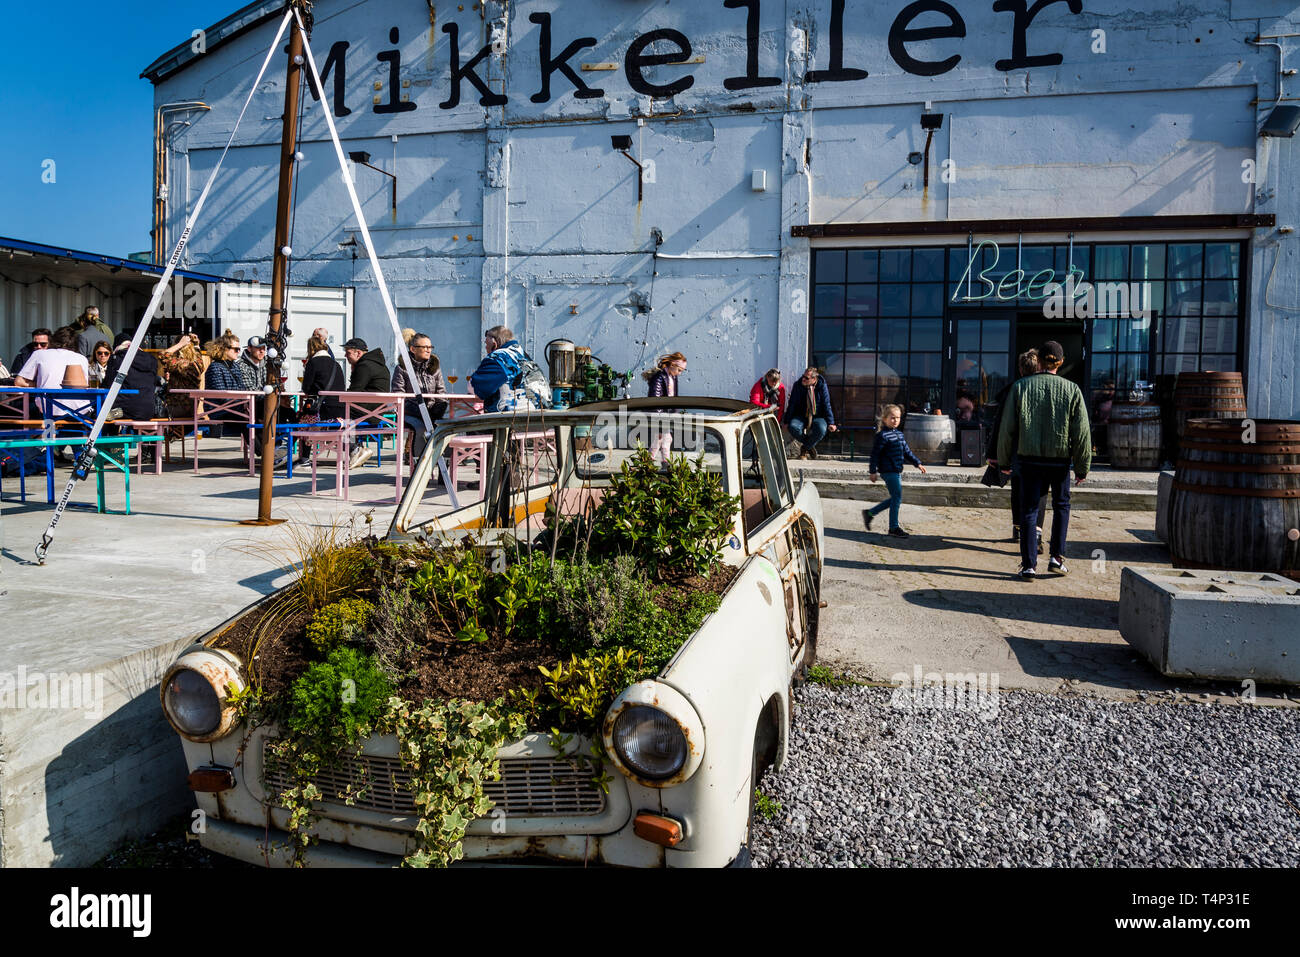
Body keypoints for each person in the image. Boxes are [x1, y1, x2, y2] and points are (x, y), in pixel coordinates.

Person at [996, 340, 1092, 580]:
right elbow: (1081, 434)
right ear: (1060, 363)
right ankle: (1056, 559)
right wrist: (1082, 467)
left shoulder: (1020, 387)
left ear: (1038, 360)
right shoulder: (1072, 390)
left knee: (1028, 510)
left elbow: (1007, 429)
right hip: (1059, 461)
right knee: (1061, 507)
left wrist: (1004, 462)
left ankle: (1029, 565)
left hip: (1028, 460)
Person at [986, 349, 1048, 550]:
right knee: (1039, 491)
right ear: (1040, 366)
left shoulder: (1013, 389)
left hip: (1016, 450)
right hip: (1041, 449)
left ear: (1021, 370)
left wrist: (994, 454)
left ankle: (1019, 528)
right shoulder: (1047, 388)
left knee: (1018, 488)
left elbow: (1000, 424)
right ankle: (1035, 533)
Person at [864, 404, 928, 537]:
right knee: (897, 498)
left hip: (897, 470)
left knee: (895, 498)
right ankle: (893, 528)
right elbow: (874, 455)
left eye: (898, 418)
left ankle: (870, 513)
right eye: (892, 418)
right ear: (885, 419)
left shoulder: (899, 434)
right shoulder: (882, 436)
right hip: (888, 471)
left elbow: (907, 452)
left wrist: (918, 463)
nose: (895, 420)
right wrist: (872, 471)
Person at [391, 333, 448, 462]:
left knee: (445, 428)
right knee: (421, 428)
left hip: (432, 412)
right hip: (410, 413)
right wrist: (419, 410)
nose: (428, 350)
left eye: (430, 347)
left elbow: (441, 393)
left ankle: (444, 467)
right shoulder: (402, 368)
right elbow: (398, 395)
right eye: (424, 347)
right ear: (413, 349)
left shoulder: (434, 367)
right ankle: (419, 466)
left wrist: (438, 408)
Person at [15, 326, 91, 418]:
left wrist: (40, 384)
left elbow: (19, 381)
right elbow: (84, 384)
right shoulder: (82, 358)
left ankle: (49, 431)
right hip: (79, 411)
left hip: (48, 410)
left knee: (37, 412)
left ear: (53, 340)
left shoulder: (39, 354)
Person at [343, 337, 391, 468]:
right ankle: (355, 449)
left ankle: (355, 449)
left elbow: (354, 392)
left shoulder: (364, 366)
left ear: (358, 353)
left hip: (367, 412)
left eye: (348, 353)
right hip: (378, 411)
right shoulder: (378, 365)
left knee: (334, 414)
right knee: (343, 415)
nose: (345, 356)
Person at [640, 352, 687, 464]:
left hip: (667, 415)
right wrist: (659, 421)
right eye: (679, 370)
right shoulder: (660, 377)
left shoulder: (672, 377)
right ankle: (665, 464)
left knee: (660, 440)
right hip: (660, 415)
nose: (680, 373)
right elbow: (655, 400)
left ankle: (647, 463)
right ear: (672, 364)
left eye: (682, 371)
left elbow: (673, 398)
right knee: (665, 440)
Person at [468, 326, 526, 413]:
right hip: (540, 414)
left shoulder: (499, 357)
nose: (486, 349)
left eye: (487, 345)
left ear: (494, 344)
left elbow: (475, 387)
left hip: (511, 417)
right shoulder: (523, 355)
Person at [784, 366, 838, 459]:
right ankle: (809, 445)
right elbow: (792, 404)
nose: (803, 379)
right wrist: (786, 421)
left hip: (817, 416)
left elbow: (826, 404)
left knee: (821, 429)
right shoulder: (797, 385)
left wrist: (831, 422)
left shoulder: (821, 386)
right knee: (793, 427)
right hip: (801, 415)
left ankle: (805, 448)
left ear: (814, 379)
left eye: (806, 378)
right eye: (803, 376)